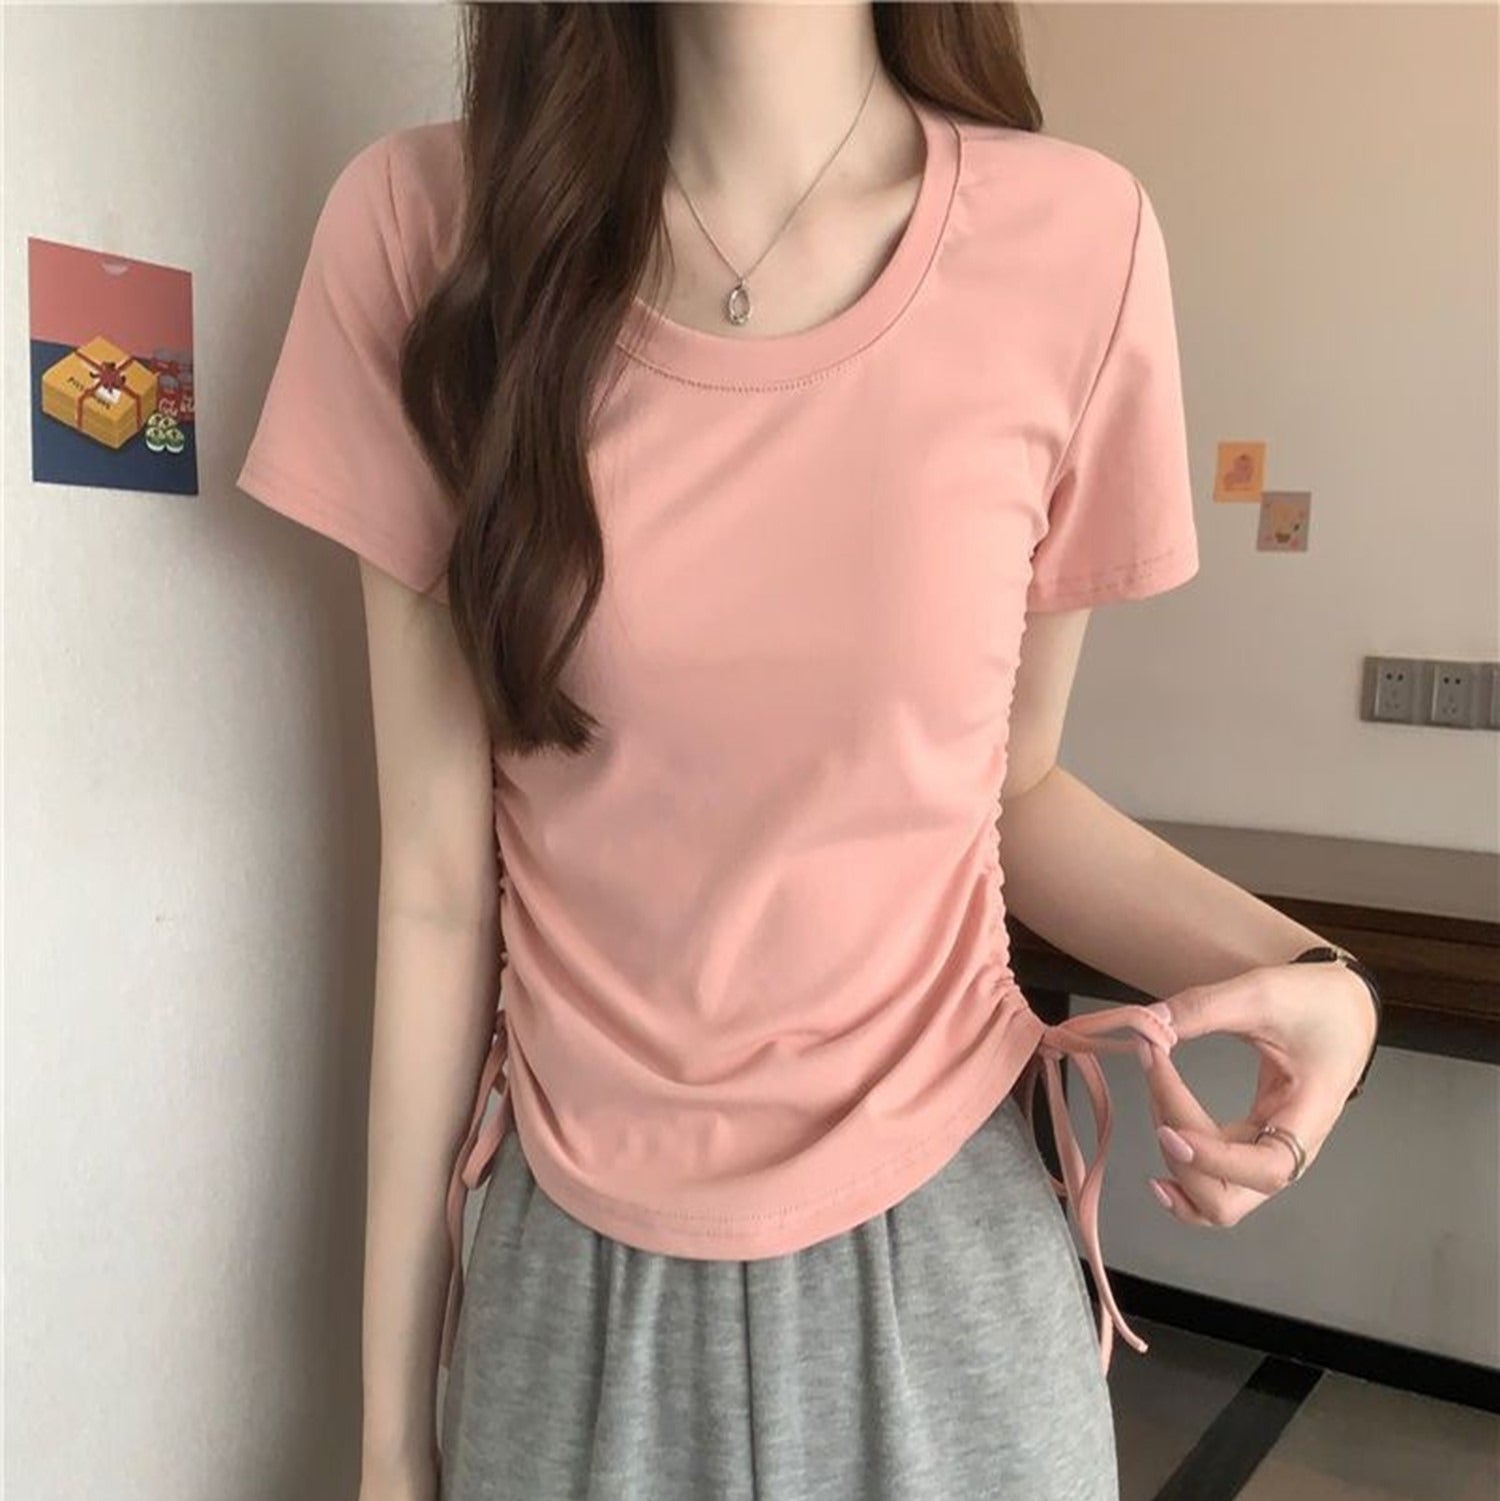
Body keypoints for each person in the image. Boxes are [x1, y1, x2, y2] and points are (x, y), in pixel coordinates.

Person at [235, 5, 1382, 1498]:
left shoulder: (1076, 244)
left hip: (953, 1277)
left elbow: (1010, 790)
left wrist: (1319, 978)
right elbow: (441, 890)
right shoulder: (424, 234)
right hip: (573, 1292)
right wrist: (391, 1441)